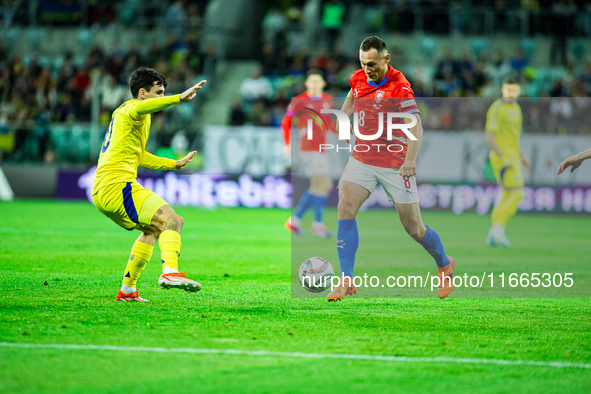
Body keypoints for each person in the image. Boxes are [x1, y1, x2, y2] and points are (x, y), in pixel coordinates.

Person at [327, 36, 455, 301]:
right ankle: (346, 280)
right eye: (363, 63)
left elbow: (416, 126)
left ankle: (444, 264)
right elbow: (352, 98)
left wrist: (410, 160)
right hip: (362, 158)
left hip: (395, 163)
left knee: (414, 229)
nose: (366, 69)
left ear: (386, 59)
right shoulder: (358, 78)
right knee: (345, 206)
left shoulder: (400, 87)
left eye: (371, 64)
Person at [92, 67, 206, 302]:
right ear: (142, 93)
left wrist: (173, 164)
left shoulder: (137, 117)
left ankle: (127, 290)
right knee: (173, 220)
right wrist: (178, 99)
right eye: (159, 93)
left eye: (165, 93)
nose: (162, 98)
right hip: (117, 186)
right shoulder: (132, 109)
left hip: (108, 188)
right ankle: (170, 272)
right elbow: (143, 107)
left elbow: (139, 155)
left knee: (153, 230)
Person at [283, 69, 336, 238]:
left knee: (318, 186)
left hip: (320, 148)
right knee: (323, 184)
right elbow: (287, 121)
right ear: (307, 84)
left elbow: (328, 122)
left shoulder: (327, 100)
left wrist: (343, 135)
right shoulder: (299, 101)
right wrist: (287, 144)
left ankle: (296, 220)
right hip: (309, 148)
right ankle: (317, 224)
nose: (314, 84)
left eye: (317, 81)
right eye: (311, 81)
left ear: (322, 84)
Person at [484, 78, 530, 248]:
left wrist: (523, 156)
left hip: (514, 157)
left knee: (505, 195)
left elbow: (514, 137)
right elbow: (489, 136)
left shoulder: (516, 109)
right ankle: (498, 230)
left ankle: (493, 233)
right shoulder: (497, 108)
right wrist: (503, 157)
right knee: (517, 194)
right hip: (502, 158)